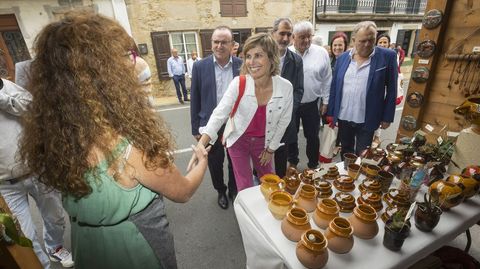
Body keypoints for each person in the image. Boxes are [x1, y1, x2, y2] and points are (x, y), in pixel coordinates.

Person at [19, 11, 208, 269]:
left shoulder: (57, 134)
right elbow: (183, 191)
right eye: (126, 56)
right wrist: (202, 161)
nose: (134, 63)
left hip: (87, 244)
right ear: (104, 71)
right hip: (134, 249)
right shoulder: (130, 145)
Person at [196, 33, 293, 192]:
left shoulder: (285, 87)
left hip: (264, 142)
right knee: (245, 186)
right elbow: (220, 114)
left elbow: (284, 121)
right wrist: (202, 143)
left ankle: (269, 213)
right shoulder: (239, 83)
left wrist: (271, 149)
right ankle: (246, 213)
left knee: (270, 183)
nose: (251, 62)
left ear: (271, 58)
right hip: (238, 140)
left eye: (258, 56)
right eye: (248, 56)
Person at [0, 77, 74, 269]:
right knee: (23, 235)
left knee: (55, 217)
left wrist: (1, 97)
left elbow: (34, 109)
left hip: (37, 170)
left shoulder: (7, 87)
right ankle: (40, 265)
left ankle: (55, 248)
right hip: (5, 184)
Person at [326, 21, 397, 157]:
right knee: (346, 151)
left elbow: (392, 89)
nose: (367, 44)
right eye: (363, 41)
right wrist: (331, 112)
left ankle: (360, 176)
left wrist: (387, 117)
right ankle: (346, 176)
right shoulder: (342, 59)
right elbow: (335, 87)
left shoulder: (387, 57)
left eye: (371, 40)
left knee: (363, 153)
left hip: (367, 117)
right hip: (344, 116)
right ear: (353, 40)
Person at [190, 26, 241, 208]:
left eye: (224, 42)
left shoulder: (241, 65)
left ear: (232, 44)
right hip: (210, 126)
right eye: (216, 42)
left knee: (235, 160)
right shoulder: (199, 66)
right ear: (211, 43)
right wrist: (196, 128)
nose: (219, 46)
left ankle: (234, 189)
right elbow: (194, 98)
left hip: (235, 124)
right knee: (214, 163)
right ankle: (221, 190)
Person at [288, 21, 332, 169]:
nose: (306, 40)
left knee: (313, 137)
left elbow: (327, 79)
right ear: (293, 37)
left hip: (312, 104)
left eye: (309, 36)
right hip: (291, 105)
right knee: (291, 136)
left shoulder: (321, 52)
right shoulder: (286, 53)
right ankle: (292, 162)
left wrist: (325, 102)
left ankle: (313, 165)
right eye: (302, 37)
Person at [271, 18, 304, 178]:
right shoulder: (261, 56)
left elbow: (298, 90)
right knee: (261, 156)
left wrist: (288, 110)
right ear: (273, 33)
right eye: (282, 33)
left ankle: (278, 186)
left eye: (289, 34)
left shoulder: (296, 60)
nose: (285, 38)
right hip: (263, 118)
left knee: (280, 155)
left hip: (285, 119)